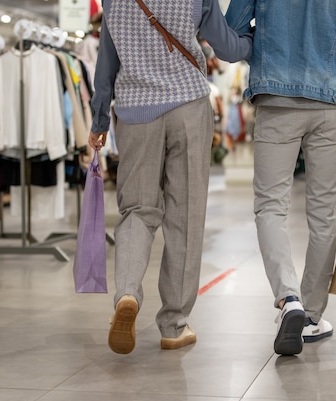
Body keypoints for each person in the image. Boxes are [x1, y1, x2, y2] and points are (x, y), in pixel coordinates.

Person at [225, 0, 336, 355]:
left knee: (270, 208)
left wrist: (266, 47)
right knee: (323, 216)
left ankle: (289, 300)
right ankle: (312, 316)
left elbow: (231, 35)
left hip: (275, 101)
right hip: (330, 107)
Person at [89, 0, 252, 354]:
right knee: (186, 215)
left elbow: (106, 62)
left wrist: (100, 120)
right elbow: (227, 48)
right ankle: (174, 325)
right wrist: (253, 37)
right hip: (188, 107)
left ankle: (128, 293)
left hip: (135, 113)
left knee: (138, 211)